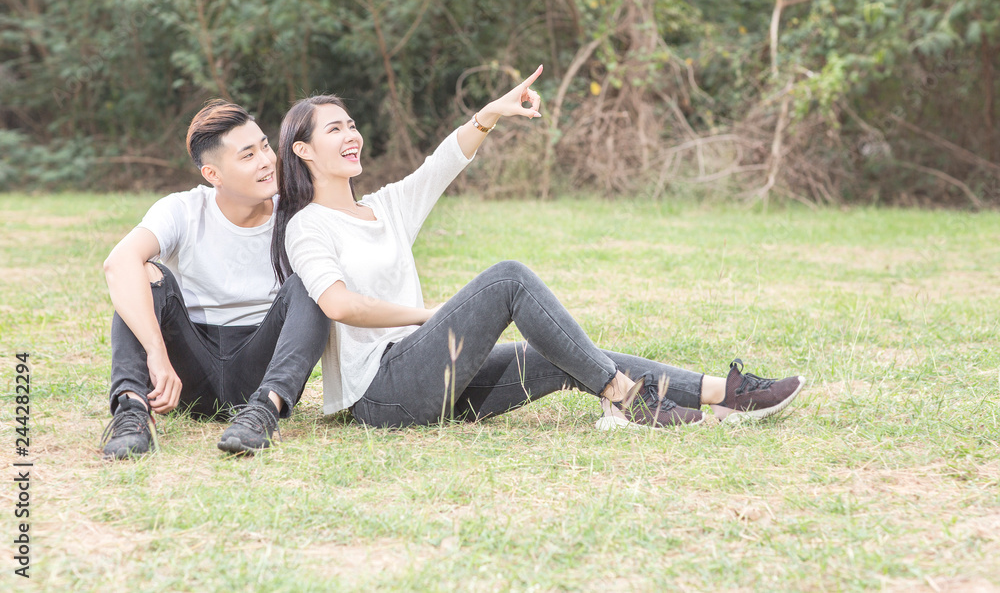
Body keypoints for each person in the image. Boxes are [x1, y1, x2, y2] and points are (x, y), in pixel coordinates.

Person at [271, 65, 805, 429]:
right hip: (379, 395)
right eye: (335, 128)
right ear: (303, 150)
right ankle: (626, 399)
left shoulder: (384, 206)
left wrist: (491, 114)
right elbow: (338, 305)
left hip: (431, 373)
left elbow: (441, 164)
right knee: (508, 278)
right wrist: (428, 316)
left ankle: (725, 394)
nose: (351, 135)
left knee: (552, 356)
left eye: (352, 124)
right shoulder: (308, 226)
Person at [100, 100, 330, 459]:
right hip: (188, 365)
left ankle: (264, 414)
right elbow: (118, 263)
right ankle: (132, 412)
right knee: (141, 272)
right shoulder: (183, 210)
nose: (267, 161)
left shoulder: (297, 213)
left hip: (261, 365)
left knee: (311, 283)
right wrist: (157, 355)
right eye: (247, 155)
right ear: (213, 175)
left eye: (265, 146)